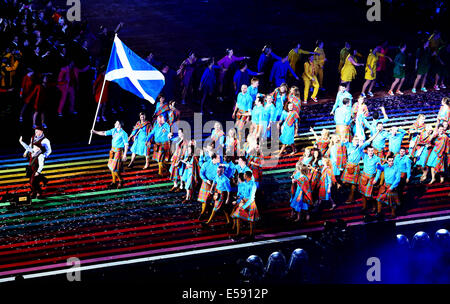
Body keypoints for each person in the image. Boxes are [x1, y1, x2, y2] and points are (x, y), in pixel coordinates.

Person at [341, 130, 380, 204]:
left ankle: (351, 197)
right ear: (352, 140)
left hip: (355, 166)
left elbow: (370, 139)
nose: (356, 141)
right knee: (344, 182)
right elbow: (342, 141)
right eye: (355, 140)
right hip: (348, 165)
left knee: (353, 184)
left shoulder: (361, 147)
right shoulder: (348, 145)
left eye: (357, 140)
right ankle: (349, 193)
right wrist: (343, 137)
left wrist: (377, 132)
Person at [91, 121, 129, 189]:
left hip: (118, 152)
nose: (114, 124)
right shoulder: (113, 130)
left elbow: (126, 144)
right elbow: (104, 133)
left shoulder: (124, 133)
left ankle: (121, 180)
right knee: (111, 168)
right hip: (112, 151)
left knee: (115, 169)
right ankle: (114, 182)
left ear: (120, 124)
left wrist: (125, 155)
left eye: (116, 123)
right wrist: (95, 132)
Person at [231, 171, 260, 238]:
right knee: (238, 216)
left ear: (247, 176)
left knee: (251, 220)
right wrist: (237, 199)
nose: (243, 176)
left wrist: (244, 207)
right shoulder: (244, 184)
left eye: (244, 175)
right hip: (243, 202)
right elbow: (243, 194)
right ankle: (238, 234)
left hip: (250, 203)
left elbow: (251, 198)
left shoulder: (253, 185)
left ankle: (251, 235)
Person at [374, 152, 401, 218]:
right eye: (389, 161)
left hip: (392, 187)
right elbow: (380, 168)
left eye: (392, 161)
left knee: (392, 202)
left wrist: (392, 187)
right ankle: (379, 213)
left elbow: (398, 179)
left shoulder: (396, 168)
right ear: (387, 161)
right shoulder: (385, 166)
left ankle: (393, 214)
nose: (391, 162)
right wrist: (378, 165)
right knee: (378, 199)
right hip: (385, 186)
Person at [197, 153, 222, 219]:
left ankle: (208, 211)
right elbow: (201, 173)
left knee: (213, 199)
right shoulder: (206, 164)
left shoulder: (219, 165)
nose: (220, 159)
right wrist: (206, 180)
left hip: (214, 183)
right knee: (204, 199)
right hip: (206, 182)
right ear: (214, 159)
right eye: (218, 158)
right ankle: (202, 213)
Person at [358, 146, 381, 212]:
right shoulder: (364, 156)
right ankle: (364, 207)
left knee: (369, 195)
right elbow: (360, 148)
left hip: (371, 178)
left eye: (372, 150)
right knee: (362, 193)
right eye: (369, 151)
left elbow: (379, 170)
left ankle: (374, 207)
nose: (371, 152)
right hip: (364, 177)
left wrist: (376, 179)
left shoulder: (377, 159)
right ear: (367, 151)